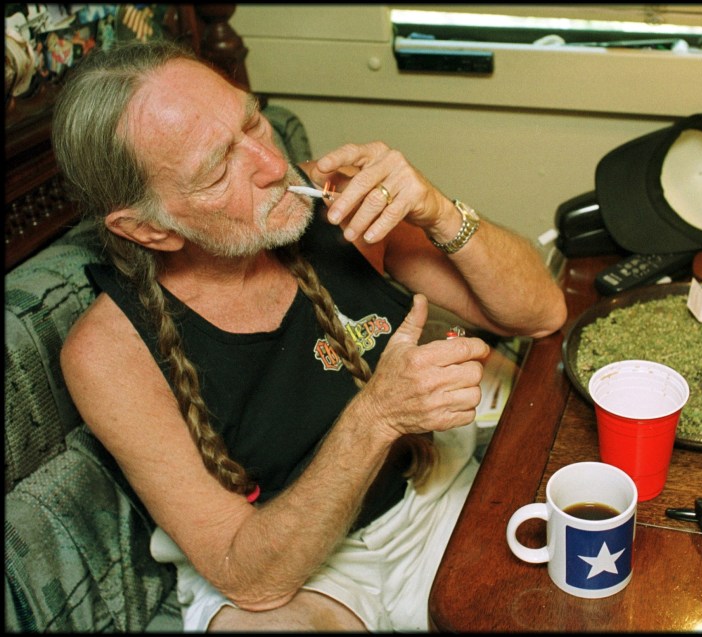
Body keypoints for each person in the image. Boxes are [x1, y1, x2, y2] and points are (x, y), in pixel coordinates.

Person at [51, 40, 566, 632]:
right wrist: (376, 416)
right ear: (149, 229)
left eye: (253, 121)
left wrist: (439, 211)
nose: (273, 165)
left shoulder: (337, 203)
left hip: (430, 498)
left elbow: (542, 313)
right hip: (297, 572)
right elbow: (250, 578)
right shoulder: (108, 353)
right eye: (218, 170)